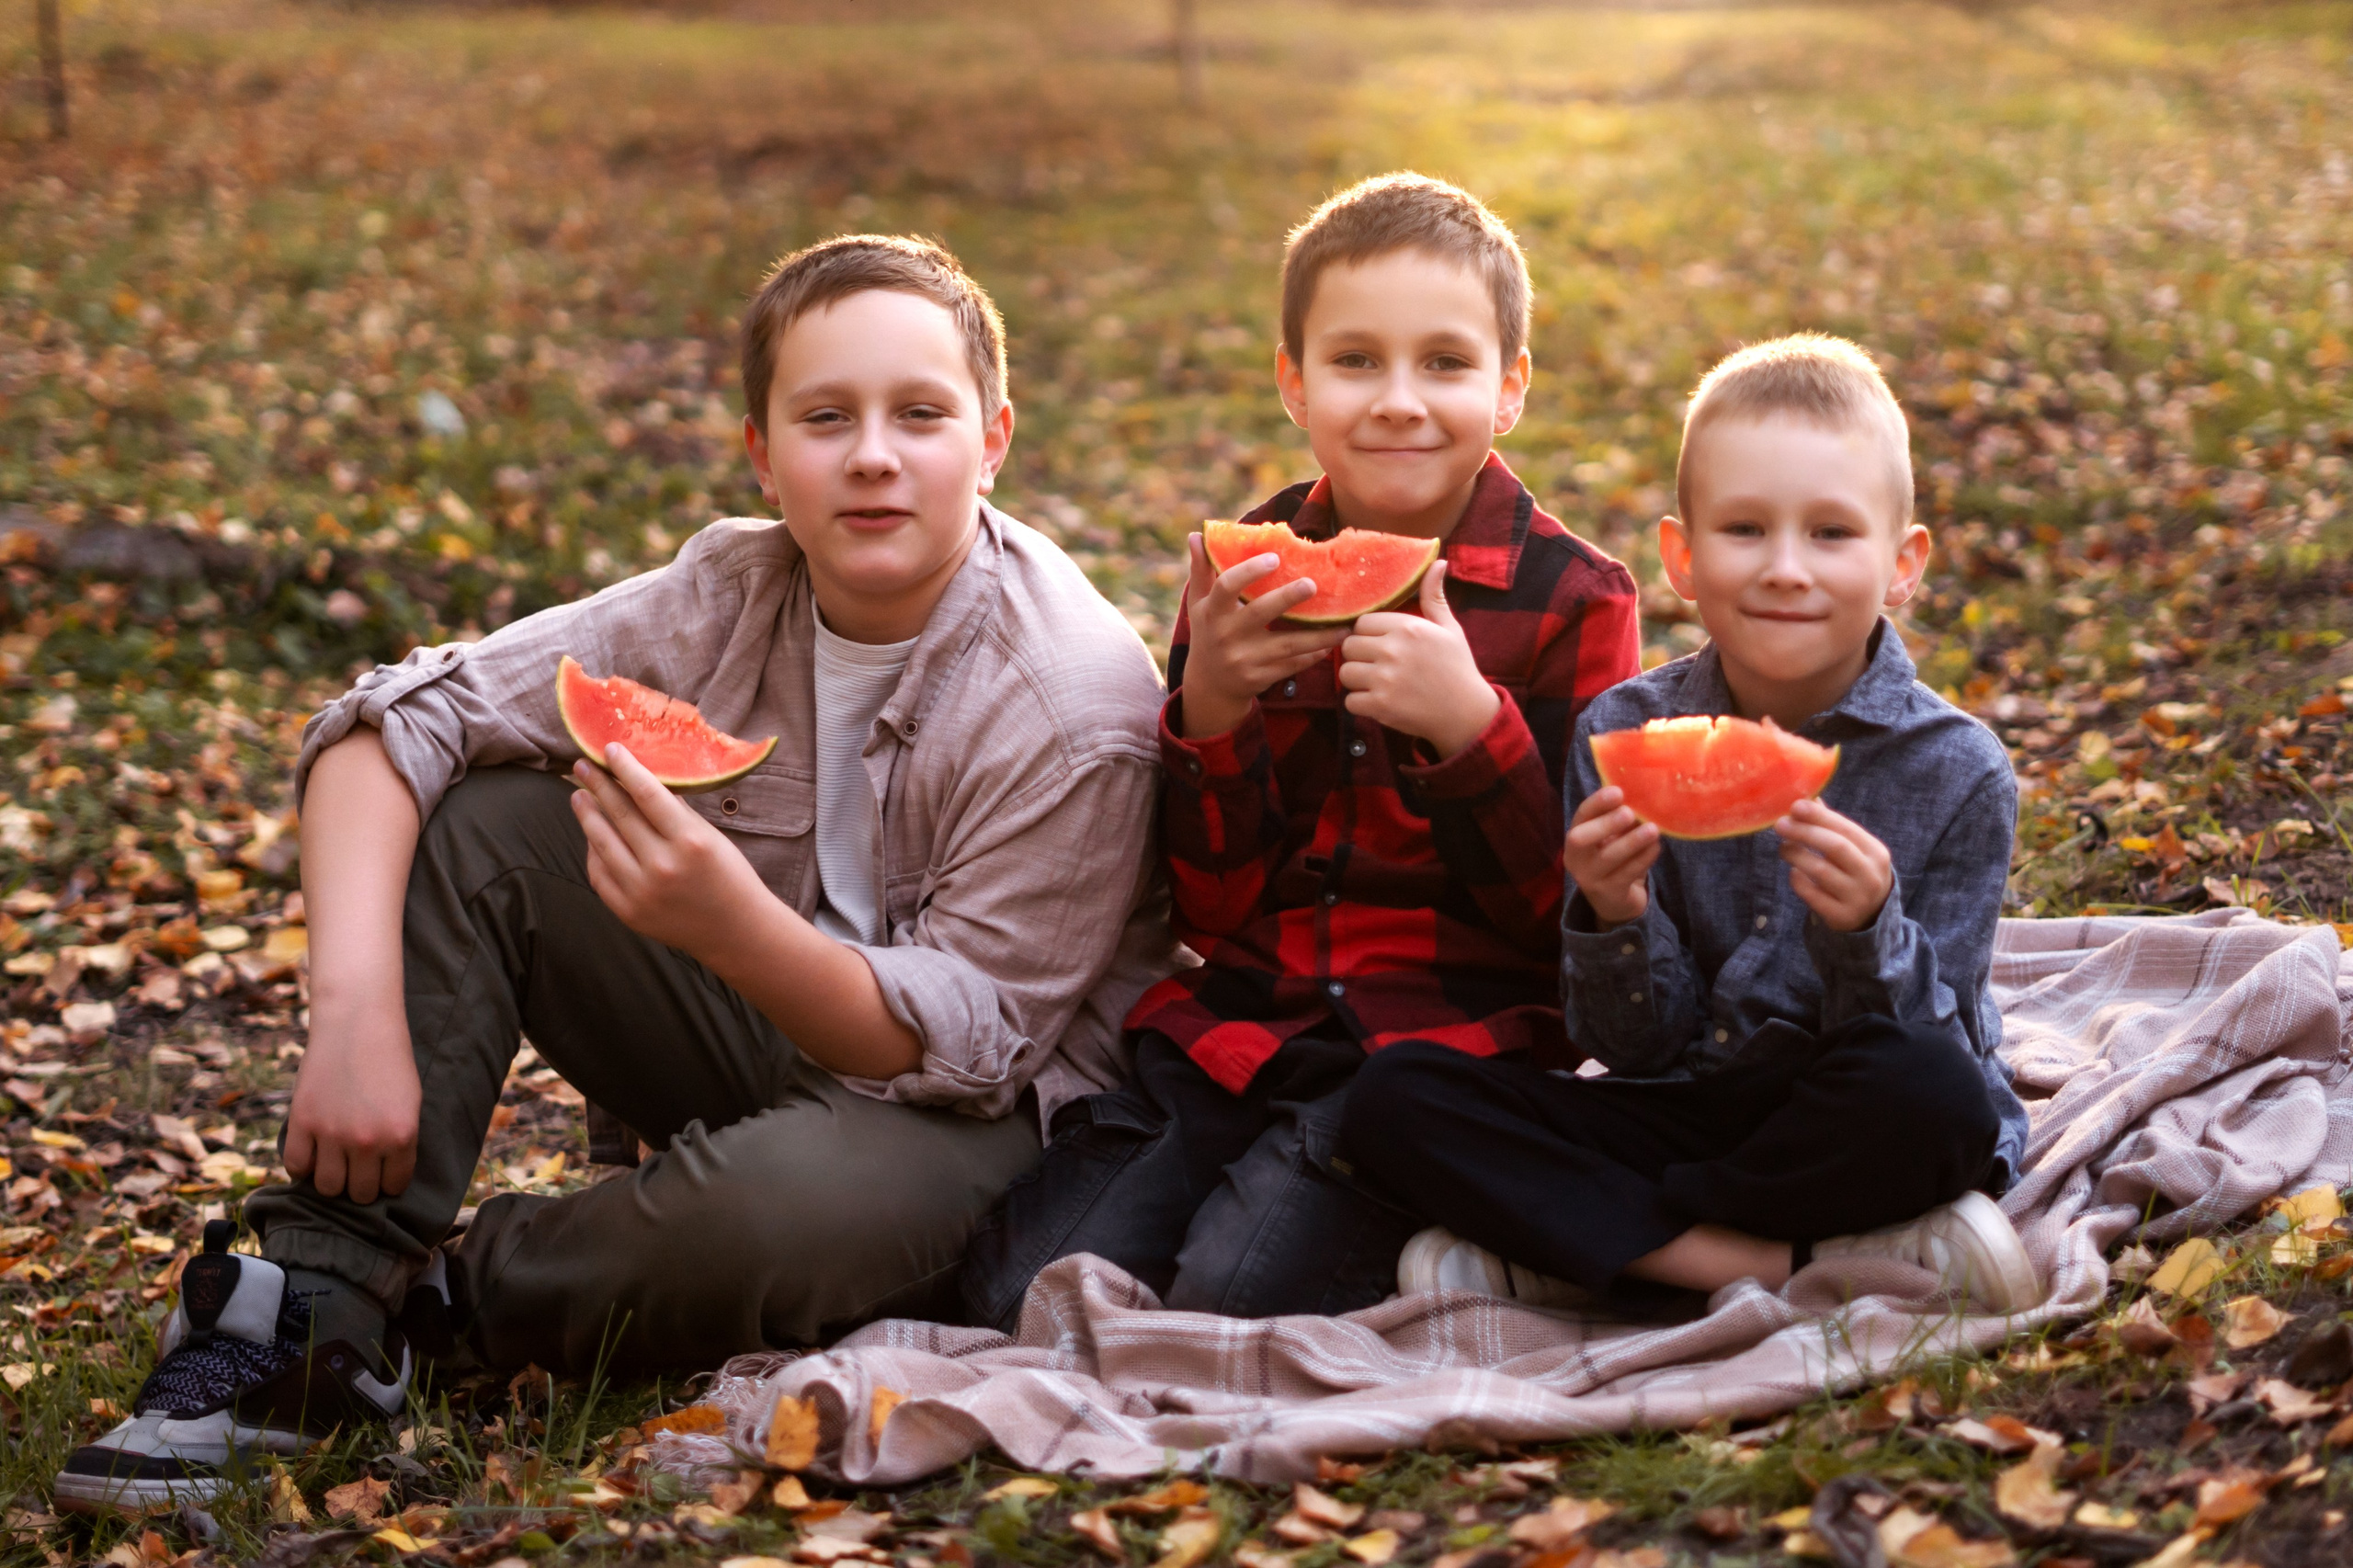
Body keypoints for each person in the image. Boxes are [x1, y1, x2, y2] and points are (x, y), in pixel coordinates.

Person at [58, 235, 1179, 1515]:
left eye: (920, 414)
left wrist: (733, 927)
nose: (873, 452)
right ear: (763, 451)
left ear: (994, 439)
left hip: (989, 1127)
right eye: (826, 417)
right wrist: (354, 1011)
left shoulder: (1072, 699)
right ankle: (309, 1288)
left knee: (786, 1215)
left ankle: (436, 1306)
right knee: (485, 817)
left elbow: (970, 1052)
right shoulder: (728, 590)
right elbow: (393, 724)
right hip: (771, 1023)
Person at [958, 173, 1642, 1330]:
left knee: (1233, 1295)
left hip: (1440, 1062)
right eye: (1355, 361)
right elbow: (1212, 910)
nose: (1398, 401)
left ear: (1510, 386)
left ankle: (1461, 1228)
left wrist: (1472, 732)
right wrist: (1211, 708)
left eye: (1445, 363)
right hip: (1242, 1036)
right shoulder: (1248, 577)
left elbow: (1570, 930)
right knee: (1010, 1294)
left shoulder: (1577, 601)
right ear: (1294, 382)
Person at [1341, 333, 2040, 1316]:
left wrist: (1865, 929)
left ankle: (1587, 1240)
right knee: (1395, 1097)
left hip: (1841, 1112)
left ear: (1902, 564)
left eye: (1831, 534)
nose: (1785, 569)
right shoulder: (1621, 731)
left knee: (1931, 1091)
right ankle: (1785, 1264)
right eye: (1744, 529)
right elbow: (1631, 1049)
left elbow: (1942, 1039)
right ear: (1682, 555)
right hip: (1676, 1106)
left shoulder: (1959, 770)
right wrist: (1613, 912)